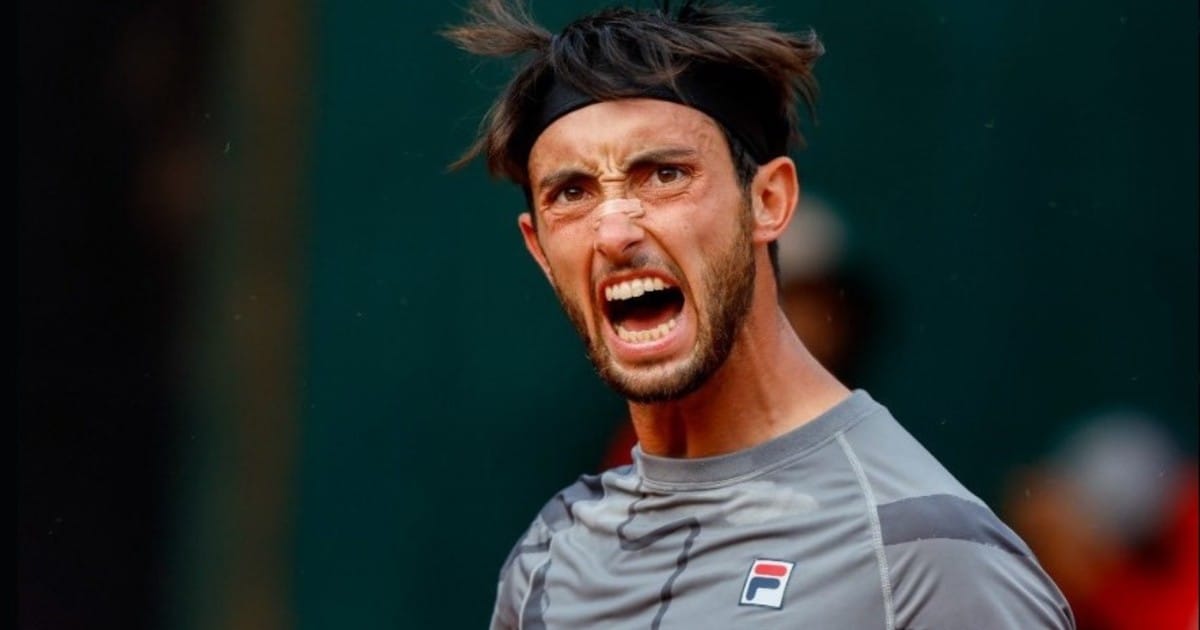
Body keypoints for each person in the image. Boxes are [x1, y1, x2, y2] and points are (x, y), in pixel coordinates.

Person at [445, 1, 1074, 628]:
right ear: (539, 249)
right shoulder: (550, 559)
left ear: (768, 202)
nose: (613, 232)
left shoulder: (923, 553)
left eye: (665, 174)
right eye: (572, 193)